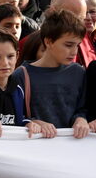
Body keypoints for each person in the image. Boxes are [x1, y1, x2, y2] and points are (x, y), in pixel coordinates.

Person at [12, 9, 89, 139]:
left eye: (77, 45)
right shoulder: (21, 75)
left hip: (73, 146)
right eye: (68, 45)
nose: (74, 51)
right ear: (48, 42)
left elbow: (83, 108)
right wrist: (33, 122)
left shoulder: (78, 72)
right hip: (36, 147)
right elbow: (14, 116)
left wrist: (81, 119)